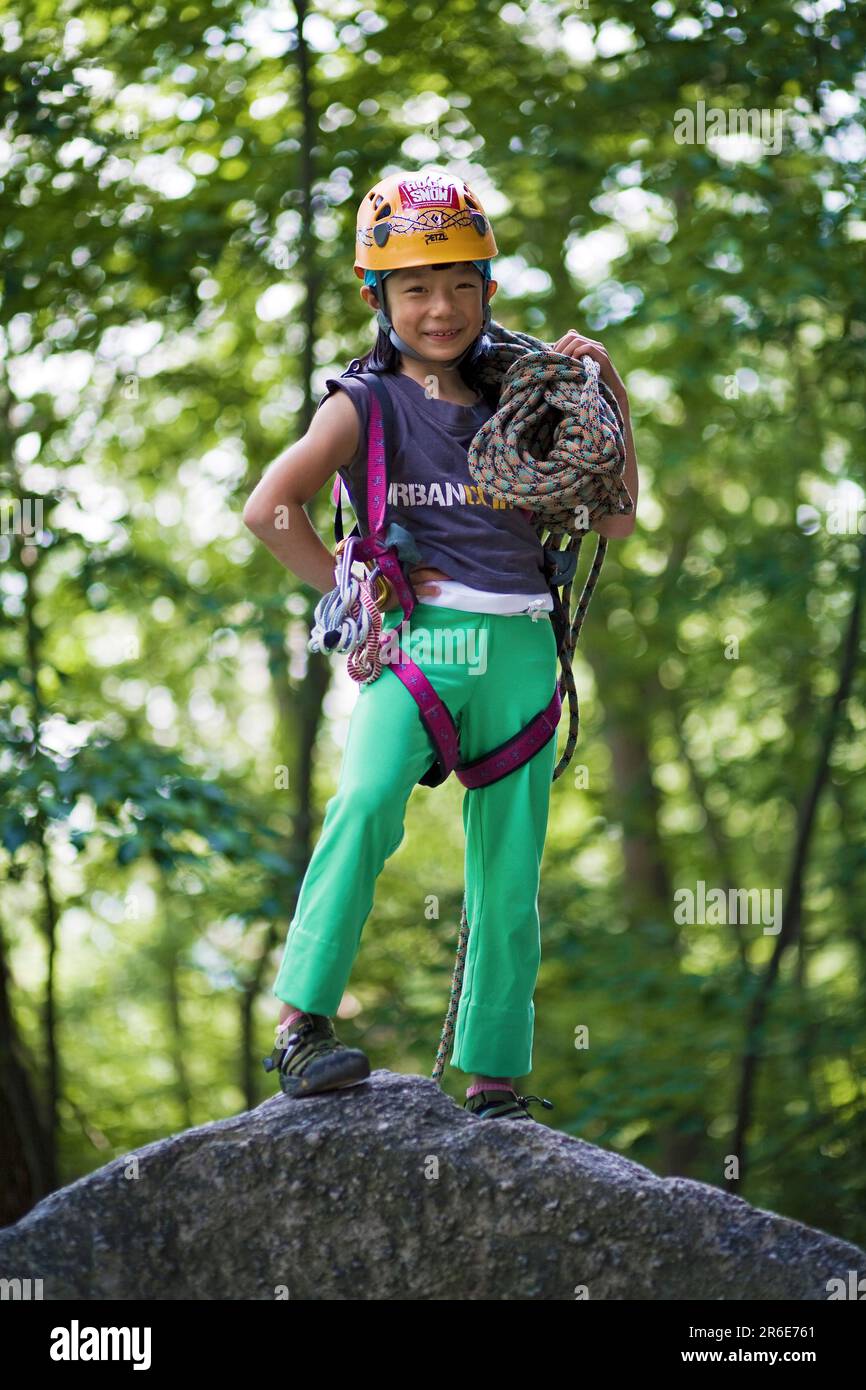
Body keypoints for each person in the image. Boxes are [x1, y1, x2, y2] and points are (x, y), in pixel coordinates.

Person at [243, 167, 638, 1120]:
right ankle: (301, 1026)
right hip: (422, 645)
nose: (441, 307)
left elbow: (616, 521)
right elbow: (269, 508)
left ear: (489, 289)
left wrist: (611, 392)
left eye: (463, 284)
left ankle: (495, 1077)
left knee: (510, 870)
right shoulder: (363, 403)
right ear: (377, 298)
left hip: (524, 648)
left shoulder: (529, 400)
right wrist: (356, 588)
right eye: (416, 287)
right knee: (365, 804)